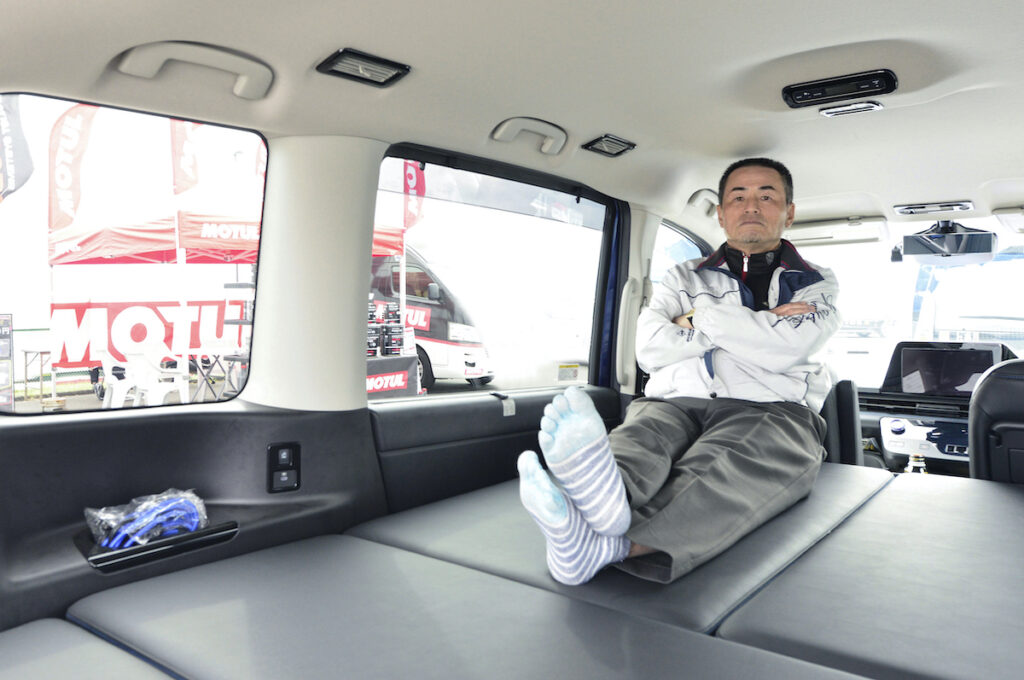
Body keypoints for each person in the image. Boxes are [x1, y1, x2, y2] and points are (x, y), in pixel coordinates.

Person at [518, 157, 840, 585]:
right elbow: (650, 347)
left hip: (770, 407)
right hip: (673, 398)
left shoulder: (817, 282)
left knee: (727, 464)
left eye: (766, 196)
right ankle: (601, 498)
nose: (751, 206)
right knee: (638, 440)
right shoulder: (682, 275)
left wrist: (693, 317)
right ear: (721, 214)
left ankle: (611, 544)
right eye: (738, 197)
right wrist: (759, 322)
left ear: (789, 212)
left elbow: (786, 348)